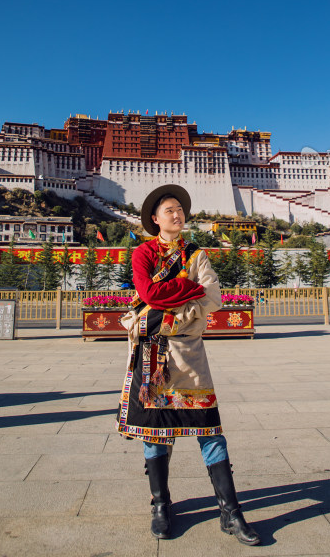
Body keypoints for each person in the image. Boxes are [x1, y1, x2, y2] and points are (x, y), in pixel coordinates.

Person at [116, 184, 260, 545]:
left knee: (209, 429)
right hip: (154, 356)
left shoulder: (196, 255)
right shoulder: (143, 253)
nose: (176, 215)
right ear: (154, 218)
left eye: (180, 209)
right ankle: (161, 505)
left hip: (191, 353)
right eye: (169, 210)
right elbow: (148, 294)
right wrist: (189, 292)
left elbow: (213, 295)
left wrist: (177, 308)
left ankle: (230, 511)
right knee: (155, 432)